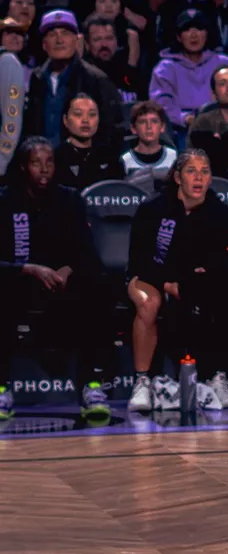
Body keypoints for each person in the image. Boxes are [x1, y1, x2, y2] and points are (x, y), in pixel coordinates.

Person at [0, 138, 115, 421]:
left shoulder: (69, 199)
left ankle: (92, 386)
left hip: (62, 282)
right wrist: (27, 269)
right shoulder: (6, 200)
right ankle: (2, 388)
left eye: (49, 162)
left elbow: (86, 251)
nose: (44, 169)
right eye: (37, 163)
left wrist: (67, 269)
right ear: (24, 167)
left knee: (97, 288)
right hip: (19, 280)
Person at [126, 148, 228, 413]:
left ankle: (216, 377)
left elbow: (215, 265)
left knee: (219, 294)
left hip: (192, 280)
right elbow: (140, 260)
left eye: (204, 172)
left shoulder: (219, 214)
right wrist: (167, 284)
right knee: (149, 303)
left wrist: (186, 284)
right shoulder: (152, 209)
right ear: (178, 177)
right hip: (148, 277)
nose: (198, 178)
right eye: (191, 171)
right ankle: (142, 381)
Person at [24, 9, 125, 146]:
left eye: (65, 34)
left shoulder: (96, 79)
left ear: (77, 41)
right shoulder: (36, 79)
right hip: (43, 164)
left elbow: (113, 127)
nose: (59, 40)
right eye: (53, 34)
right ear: (44, 44)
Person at [149, 9, 228, 143]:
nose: (194, 34)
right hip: (182, 130)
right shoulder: (166, 68)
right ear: (179, 37)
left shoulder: (223, 62)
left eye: (199, 28)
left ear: (207, 33)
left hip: (222, 125)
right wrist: (185, 118)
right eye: (187, 29)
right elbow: (161, 105)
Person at [53, 93, 124, 189]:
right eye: (78, 114)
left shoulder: (110, 155)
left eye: (92, 114)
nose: (85, 120)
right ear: (65, 120)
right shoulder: (56, 158)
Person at [82, 12, 146, 107]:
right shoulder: (82, 76)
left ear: (116, 41)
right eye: (97, 39)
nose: (104, 44)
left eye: (109, 38)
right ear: (87, 45)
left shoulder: (128, 71)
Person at [121, 101, 178, 190]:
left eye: (154, 121)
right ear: (133, 128)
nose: (149, 126)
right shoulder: (125, 160)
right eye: (143, 122)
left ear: (162, 127)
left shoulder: (174, 157)